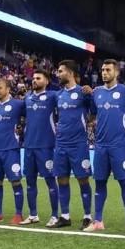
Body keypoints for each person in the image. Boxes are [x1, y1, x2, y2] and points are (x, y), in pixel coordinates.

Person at [84, 59, 125, 234]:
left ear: (117, 72)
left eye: (108, 70)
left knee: (124, 183)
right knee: (99, 183)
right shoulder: (96, 93)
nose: (104, 73)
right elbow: (93, 114)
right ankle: (98, 221)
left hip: (120, 145)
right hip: (100, 146)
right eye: (103, 70)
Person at [49, 60, 93, 230]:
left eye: (61, 71)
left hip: (78, 144)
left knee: (83, 179)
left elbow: (94, 111)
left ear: (71, 73)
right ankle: (65, 216)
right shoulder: (58, 95)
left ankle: (87, 216)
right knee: (62, 179)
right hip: (60, 144)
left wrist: (91, 93)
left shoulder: (83, 92)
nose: (58, 74)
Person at [20, 69, 60, 227]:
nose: (34, 80)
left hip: (46, 146)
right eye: (33, 78)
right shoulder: (27, 98)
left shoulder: (53, 96)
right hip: (29, 146)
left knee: (50, 181)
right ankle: (33, 215)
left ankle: (55, 215)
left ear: (47, 81)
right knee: (30, 182)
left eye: (38, 78)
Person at [0, 79, 26, 224]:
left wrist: (21, 129)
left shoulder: (18, 104)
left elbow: (31, 116)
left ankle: (19, 214)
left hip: (11, 149)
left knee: (15, 182)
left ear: (8, 89)